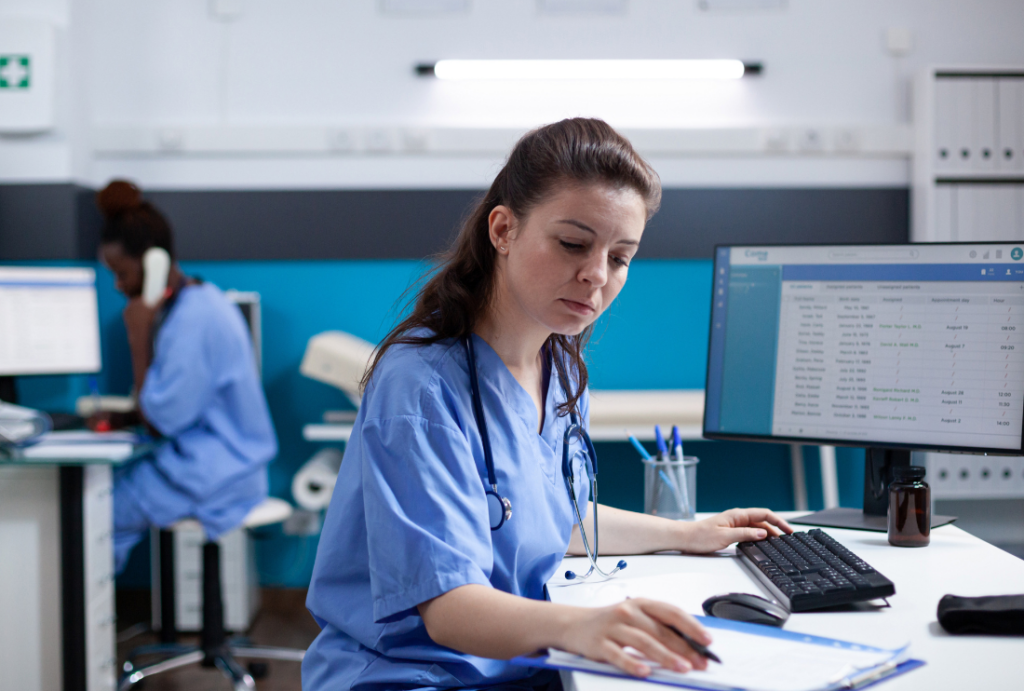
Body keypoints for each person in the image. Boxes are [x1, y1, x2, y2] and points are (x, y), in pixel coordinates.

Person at [303, 119, 792, 691]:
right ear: (504, 229)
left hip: (521, 665)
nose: (595, 276)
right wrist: (585, 627)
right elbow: (449, 608)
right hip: (415, 675)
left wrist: (690, 532)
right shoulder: (420, 386)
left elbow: (550, 519)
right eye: (573, 244)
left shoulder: (560, 369)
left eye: (620, 257)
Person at [95, 180, 278, 573]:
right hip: (223, 463)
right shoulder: (199, 302)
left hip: (219, 472)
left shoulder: (193, 320)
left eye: (122, 273)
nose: (118, 286)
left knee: (91, 518)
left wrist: (138, 339)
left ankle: (72, 630)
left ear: (153, 262)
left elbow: (162, 419)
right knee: (103, 503)